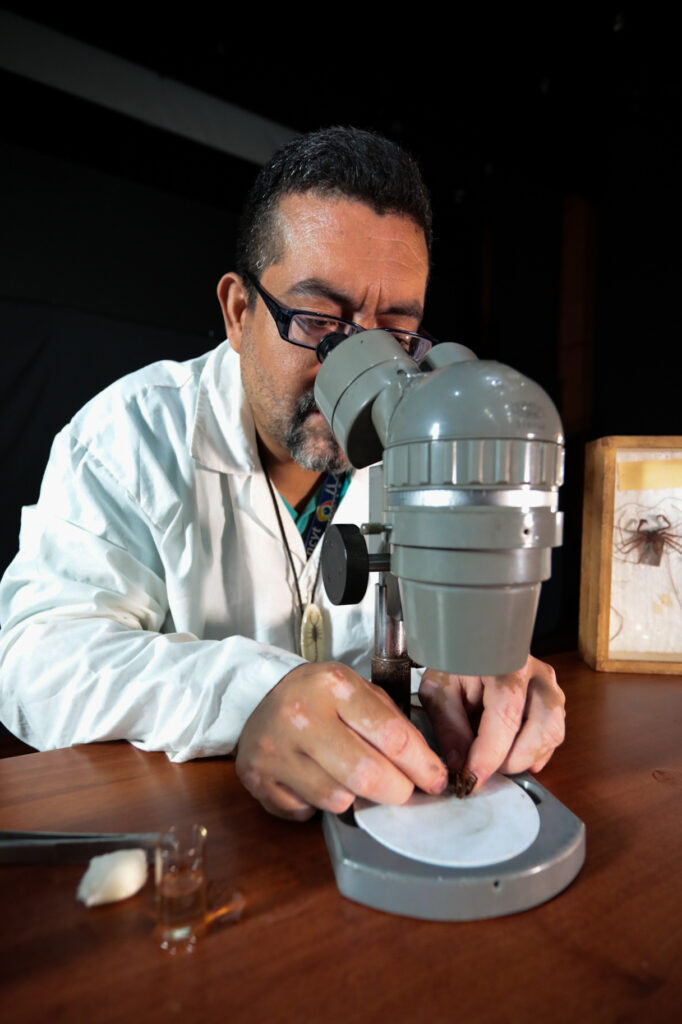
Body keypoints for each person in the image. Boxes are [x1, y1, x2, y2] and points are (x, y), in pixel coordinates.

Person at [0, 127, 565, 820]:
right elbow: (36, 661)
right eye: (320, 320)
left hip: (380, 809)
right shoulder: (128, 437)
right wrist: (252, 696)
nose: (363, 364)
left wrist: (480, 658)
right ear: (239, 313)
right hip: (204, 831)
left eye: (396, 330)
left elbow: (432, 653)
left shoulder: (430, 442)